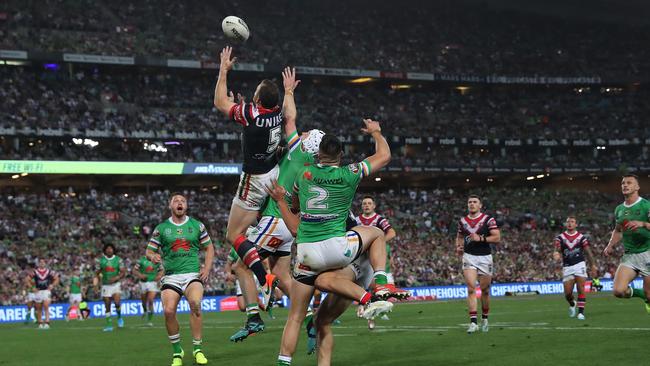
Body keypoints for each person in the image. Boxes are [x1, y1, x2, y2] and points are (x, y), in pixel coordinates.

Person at [274, 119, 408, 366]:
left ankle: (283, 362)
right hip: (338, 249)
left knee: (295, 317)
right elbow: (384, 156)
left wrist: (284, 202)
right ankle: (380, 285)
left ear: (319, 154)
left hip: (306, 254)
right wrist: (376, 132)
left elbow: (294, 214)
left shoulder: (304, 174)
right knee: (376, 233)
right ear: (341, 155)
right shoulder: (350, 173)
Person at [229, 67, 326, 342]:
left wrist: (289, 91)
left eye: (308, 134)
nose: (303, 133)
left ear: (308, 143)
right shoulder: (309, 164)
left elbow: (290, 119)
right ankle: (310, 320)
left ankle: (253, 317)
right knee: (284, 273)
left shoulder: (297, 150)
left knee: (240, 265)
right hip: (290, 224)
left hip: (275, 218)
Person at [213, 46, 290, 306]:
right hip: (272, 173)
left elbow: (220, 103)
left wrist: (224, 69)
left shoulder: (251, 113)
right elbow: (284, 113)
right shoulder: (277, 113)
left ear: (257, 101)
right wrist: (288, 91)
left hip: (254, 180)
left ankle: (263, 277)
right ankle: (264, 277)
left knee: (233, 235)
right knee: (249, 229)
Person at [146, 193, 214, 366]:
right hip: (171, 276)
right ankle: (178, 352)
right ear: (170, 206)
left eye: (182, 201)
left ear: (186, 206)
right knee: (168, 311)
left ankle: (197, 349)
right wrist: (153, 256)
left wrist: (206, 268)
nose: (179, 203)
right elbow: (149, 251)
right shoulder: (161, 228)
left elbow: (209, 248)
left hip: (192, 274)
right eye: (176, 201)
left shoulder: (197, 225)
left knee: (195, 304)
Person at [603, 174, 650, 313]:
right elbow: (618, 231)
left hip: (648, 253)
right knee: (618, 291)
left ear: (637, 187)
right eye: (623, 183)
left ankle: (647, 297)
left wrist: (643, 224)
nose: (625, 185)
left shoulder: (646, 206)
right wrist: (610, 244)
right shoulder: (619, 209)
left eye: (629, 183)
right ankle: (643, 296)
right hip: (630, 256)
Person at [455, 195, 501, 333]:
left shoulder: (488, 219)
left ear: (480, 205)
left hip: (485, 257)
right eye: (469, 202)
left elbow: (497, 237)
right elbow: (459, 236)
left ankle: (485, 318)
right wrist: (458, 246)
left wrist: (480, 238)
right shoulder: (462, 221)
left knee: (485, 291)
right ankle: (473, 322)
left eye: (475, 202)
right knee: (470, 288)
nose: (472, 204)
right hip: (469, 257)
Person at [354, 195, 398, 328]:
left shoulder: (379, 220)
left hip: (372, 258)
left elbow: (392, 233)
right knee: (359, 284)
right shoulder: (356, 220)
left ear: (374, 206)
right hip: (359, 256)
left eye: (369, 203)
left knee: (373, 286)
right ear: (362, 206)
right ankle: (362, 306)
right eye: (364, 203)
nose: (366, 205)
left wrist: (377, 243)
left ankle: (370, 317)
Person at [552, 216, 597, 320]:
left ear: (576, 224)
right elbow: (557, 249)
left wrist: (593, 265)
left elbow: (588, 252)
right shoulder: (560, 238)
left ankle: (581, 313)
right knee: (568, 294)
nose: (570, 223)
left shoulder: (581, 238)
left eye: (572, 222)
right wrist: (556, 254)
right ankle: (572, 303)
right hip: (567, 267)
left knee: (581, 288)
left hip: (579, 265)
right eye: (568, 222)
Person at [94, 243, 126, 332]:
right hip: (105, 285)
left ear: (113, 250)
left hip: (116, 285)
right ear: (105, 250)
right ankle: (109, 324)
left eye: (111, 248)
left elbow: (123, 272)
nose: (109, 250)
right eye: (107, 248)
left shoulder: (118, 260)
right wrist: (95, 285)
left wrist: (116, 277)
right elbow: (96, 274)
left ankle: (119, 317)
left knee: (117, 302)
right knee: (107, 304)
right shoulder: (101, 261)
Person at [27, 259, 59, 329]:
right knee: (39, 308)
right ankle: (40, 323)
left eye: (43, 262)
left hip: (46, 291)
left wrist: (52, 285)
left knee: (46, 306)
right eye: (40, 262)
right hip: (38, 291)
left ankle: (47, 322)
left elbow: (56, 278)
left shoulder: (49, 271)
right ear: (38, 264)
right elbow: (27, 279)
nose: (42, 263)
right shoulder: (35, 272)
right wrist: (32, 288)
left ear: (45, 263)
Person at [134, 254, 164, 326]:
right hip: (143, 283)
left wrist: (159, 276)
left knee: (150, 300)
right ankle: (144, 310)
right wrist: (140, 275)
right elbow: (135, 270)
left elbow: (162, 270)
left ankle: (149, 320)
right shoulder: (141, 260)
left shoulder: (157, 260)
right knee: (144, 301)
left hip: (153, 283)